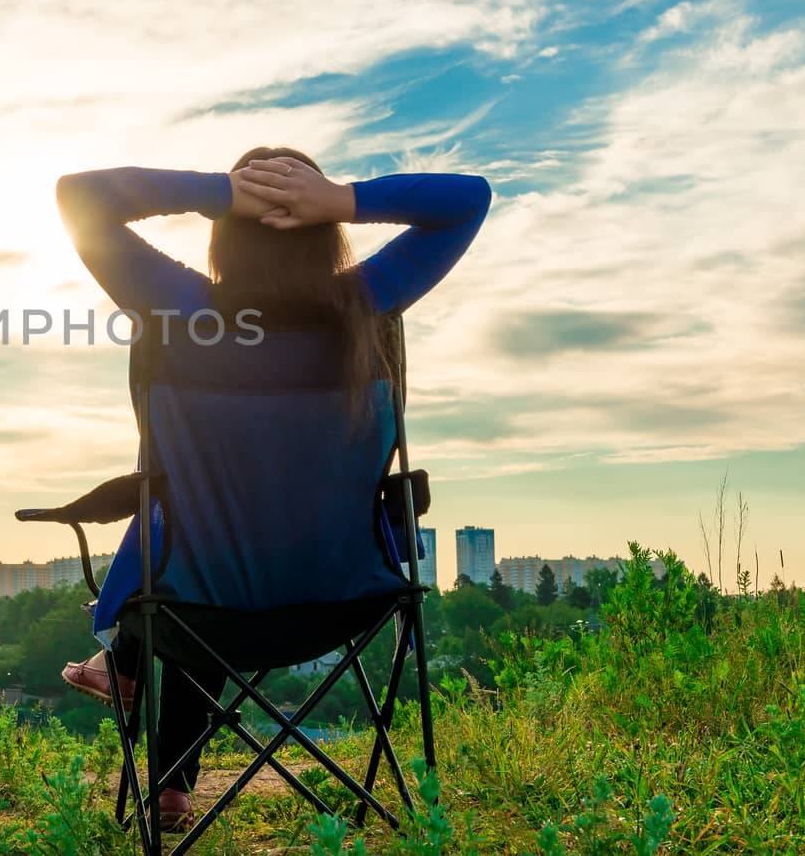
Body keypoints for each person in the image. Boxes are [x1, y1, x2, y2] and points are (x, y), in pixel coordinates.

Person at [53, 148, 490, 829]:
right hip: (346, 599)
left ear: (225, 231)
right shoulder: (367, 303)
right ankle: (168, 768)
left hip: (199, 606)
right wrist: (344, 198)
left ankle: (152, 731)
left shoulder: (179, 307)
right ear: (326, 236)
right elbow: (469, 197)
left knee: (199, 545)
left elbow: (79, 196)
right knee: (216, 538)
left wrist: (219, 190)